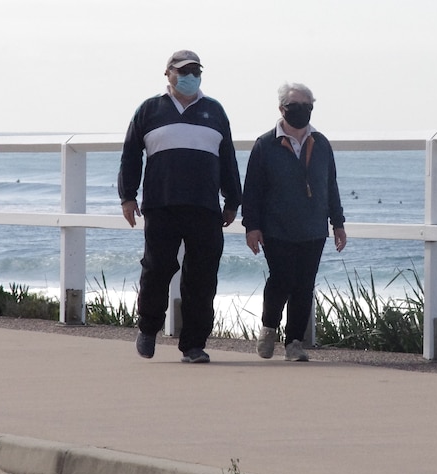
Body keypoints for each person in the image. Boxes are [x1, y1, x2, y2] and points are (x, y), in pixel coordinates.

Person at [118, 50, 243, 364]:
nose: (190, 76)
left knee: (202, 277)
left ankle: (194, 344)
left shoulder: (214, 111)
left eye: (195, 71)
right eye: (183, 71)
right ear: (168, 74)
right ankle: (148, 328)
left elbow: (227, 157)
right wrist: (128, 196)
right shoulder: (149, 110)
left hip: (205, 207)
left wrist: (232, 200)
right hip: (162, 205)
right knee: (157, 269)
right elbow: (131, 155)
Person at [242, 82, 347, 362]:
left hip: (313, 228)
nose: (301, 111)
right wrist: (251, 226)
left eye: (306, 106)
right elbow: (251, 189)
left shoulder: (322, 143)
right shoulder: (265, 145)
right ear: (281, 109)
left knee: (304, 285)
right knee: (282, 279)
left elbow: (330, 185)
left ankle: (294, 343)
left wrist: (338, 223)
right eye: (294, 106)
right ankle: (268, 328)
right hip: (276, 227)